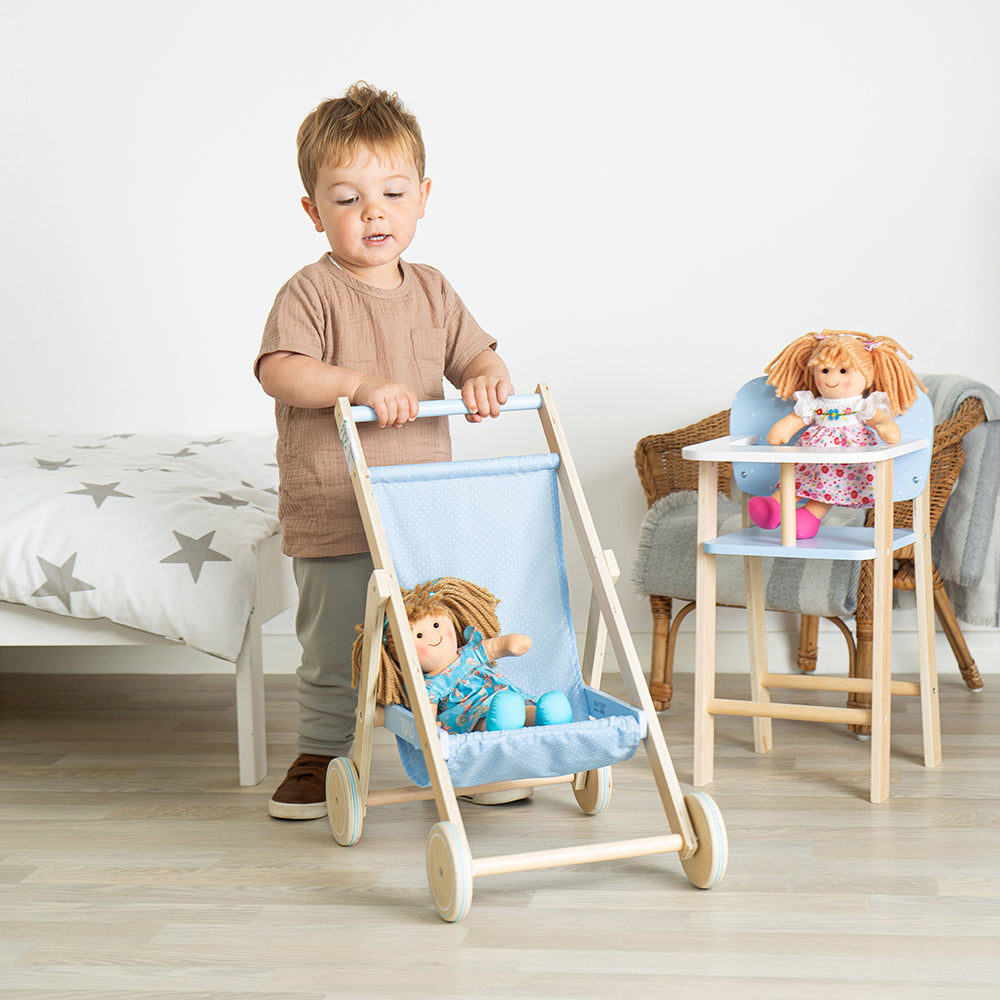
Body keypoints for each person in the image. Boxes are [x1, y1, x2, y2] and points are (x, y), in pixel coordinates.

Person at [255, 83, 515, 819]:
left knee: (437, 644)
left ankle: (459, 742)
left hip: (420, 513)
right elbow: (280, 369)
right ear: (314, 211)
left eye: (393, 193)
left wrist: (486, 377)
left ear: (423, 198)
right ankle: (321, 752)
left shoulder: (434, 291)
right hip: (337, 509)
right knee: (337, 644)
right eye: (348, 199)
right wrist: (358, 384)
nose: (374, 212)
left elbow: (477, 355)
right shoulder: (310, 291)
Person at [748, 330, 925, 539]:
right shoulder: (813, 404)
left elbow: (880, 421)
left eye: (843, 371)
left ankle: (809, 517)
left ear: (866, 376)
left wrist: (885, 426)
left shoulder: (861, 406)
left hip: (847, 461)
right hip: (811, 458)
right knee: (798, 478)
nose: (832, 378)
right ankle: (773, 506)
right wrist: (782, 432)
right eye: (824, 370)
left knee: (833, 485)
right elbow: (795, 420)